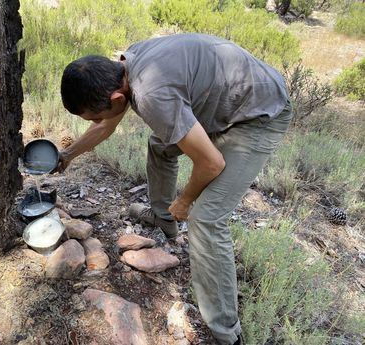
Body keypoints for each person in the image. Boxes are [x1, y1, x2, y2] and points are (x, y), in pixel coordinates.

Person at [59, 33, 292, 345]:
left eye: (97, 113)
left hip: (258, 115)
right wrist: (66, 156)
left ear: (116, 98)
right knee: (160, 145)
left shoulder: (152, 96)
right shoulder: (126, 66)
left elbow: (211, 164)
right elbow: (105, 125)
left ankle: (227, 333)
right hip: (229, 98)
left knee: (207, 219)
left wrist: (185, 201)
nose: (99, 120)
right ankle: (163, 219)